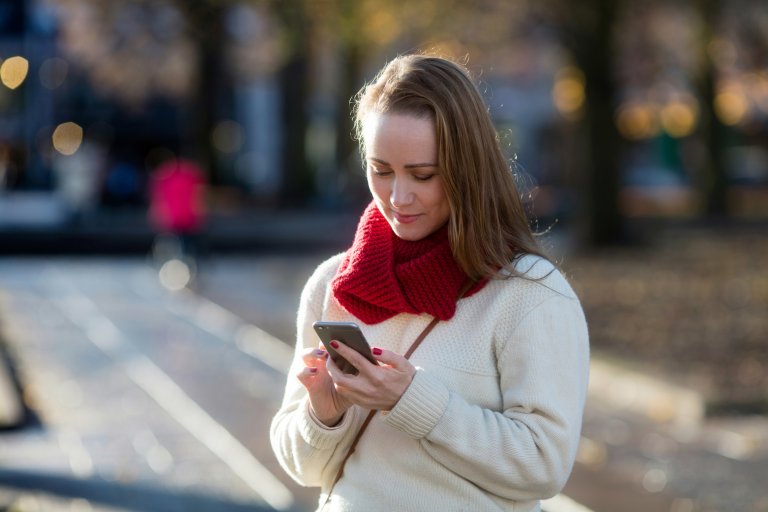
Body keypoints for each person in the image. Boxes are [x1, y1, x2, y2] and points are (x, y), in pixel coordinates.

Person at [270, 54, 589, 512]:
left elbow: (544, 465)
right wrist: (324, 411)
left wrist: (411, 401)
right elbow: (304, 469)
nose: (398, 197)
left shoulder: (532, 293)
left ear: (467, 168)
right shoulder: (332, 283)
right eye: (381, 170)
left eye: (423, 175)